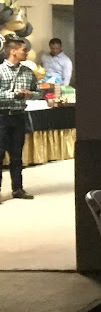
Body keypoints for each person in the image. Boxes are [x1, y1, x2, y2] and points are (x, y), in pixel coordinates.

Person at [0, 37, 38, 201]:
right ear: (13, 51)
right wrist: (14, 95)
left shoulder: (28, 72)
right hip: (2, 116)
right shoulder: (0, 70)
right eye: (23, 50)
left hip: (18, 117)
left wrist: (30, 94)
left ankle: (18, 189)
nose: (27, 52)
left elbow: (38, 92)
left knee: (17, 155)